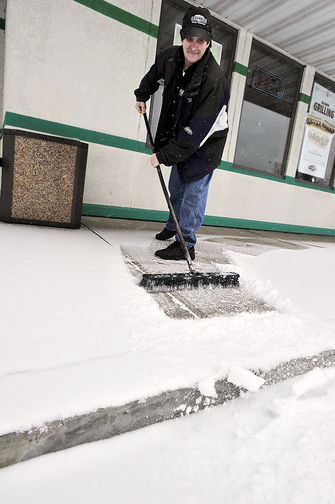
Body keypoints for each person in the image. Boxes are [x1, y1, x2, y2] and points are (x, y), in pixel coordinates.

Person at [135, 5, 229, 261]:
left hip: (206, 142)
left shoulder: (214, 80)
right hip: (182, 135)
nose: (194, 46)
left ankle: (185, 243)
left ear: (208, 44)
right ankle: (172, 225)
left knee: (192, 193)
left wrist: (164, 154)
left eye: (201, 41)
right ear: (182, 38)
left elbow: (198, 130)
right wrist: (143, 94)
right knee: (176, 185)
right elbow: (154, 75)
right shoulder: (171, 57)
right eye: (190, 38)